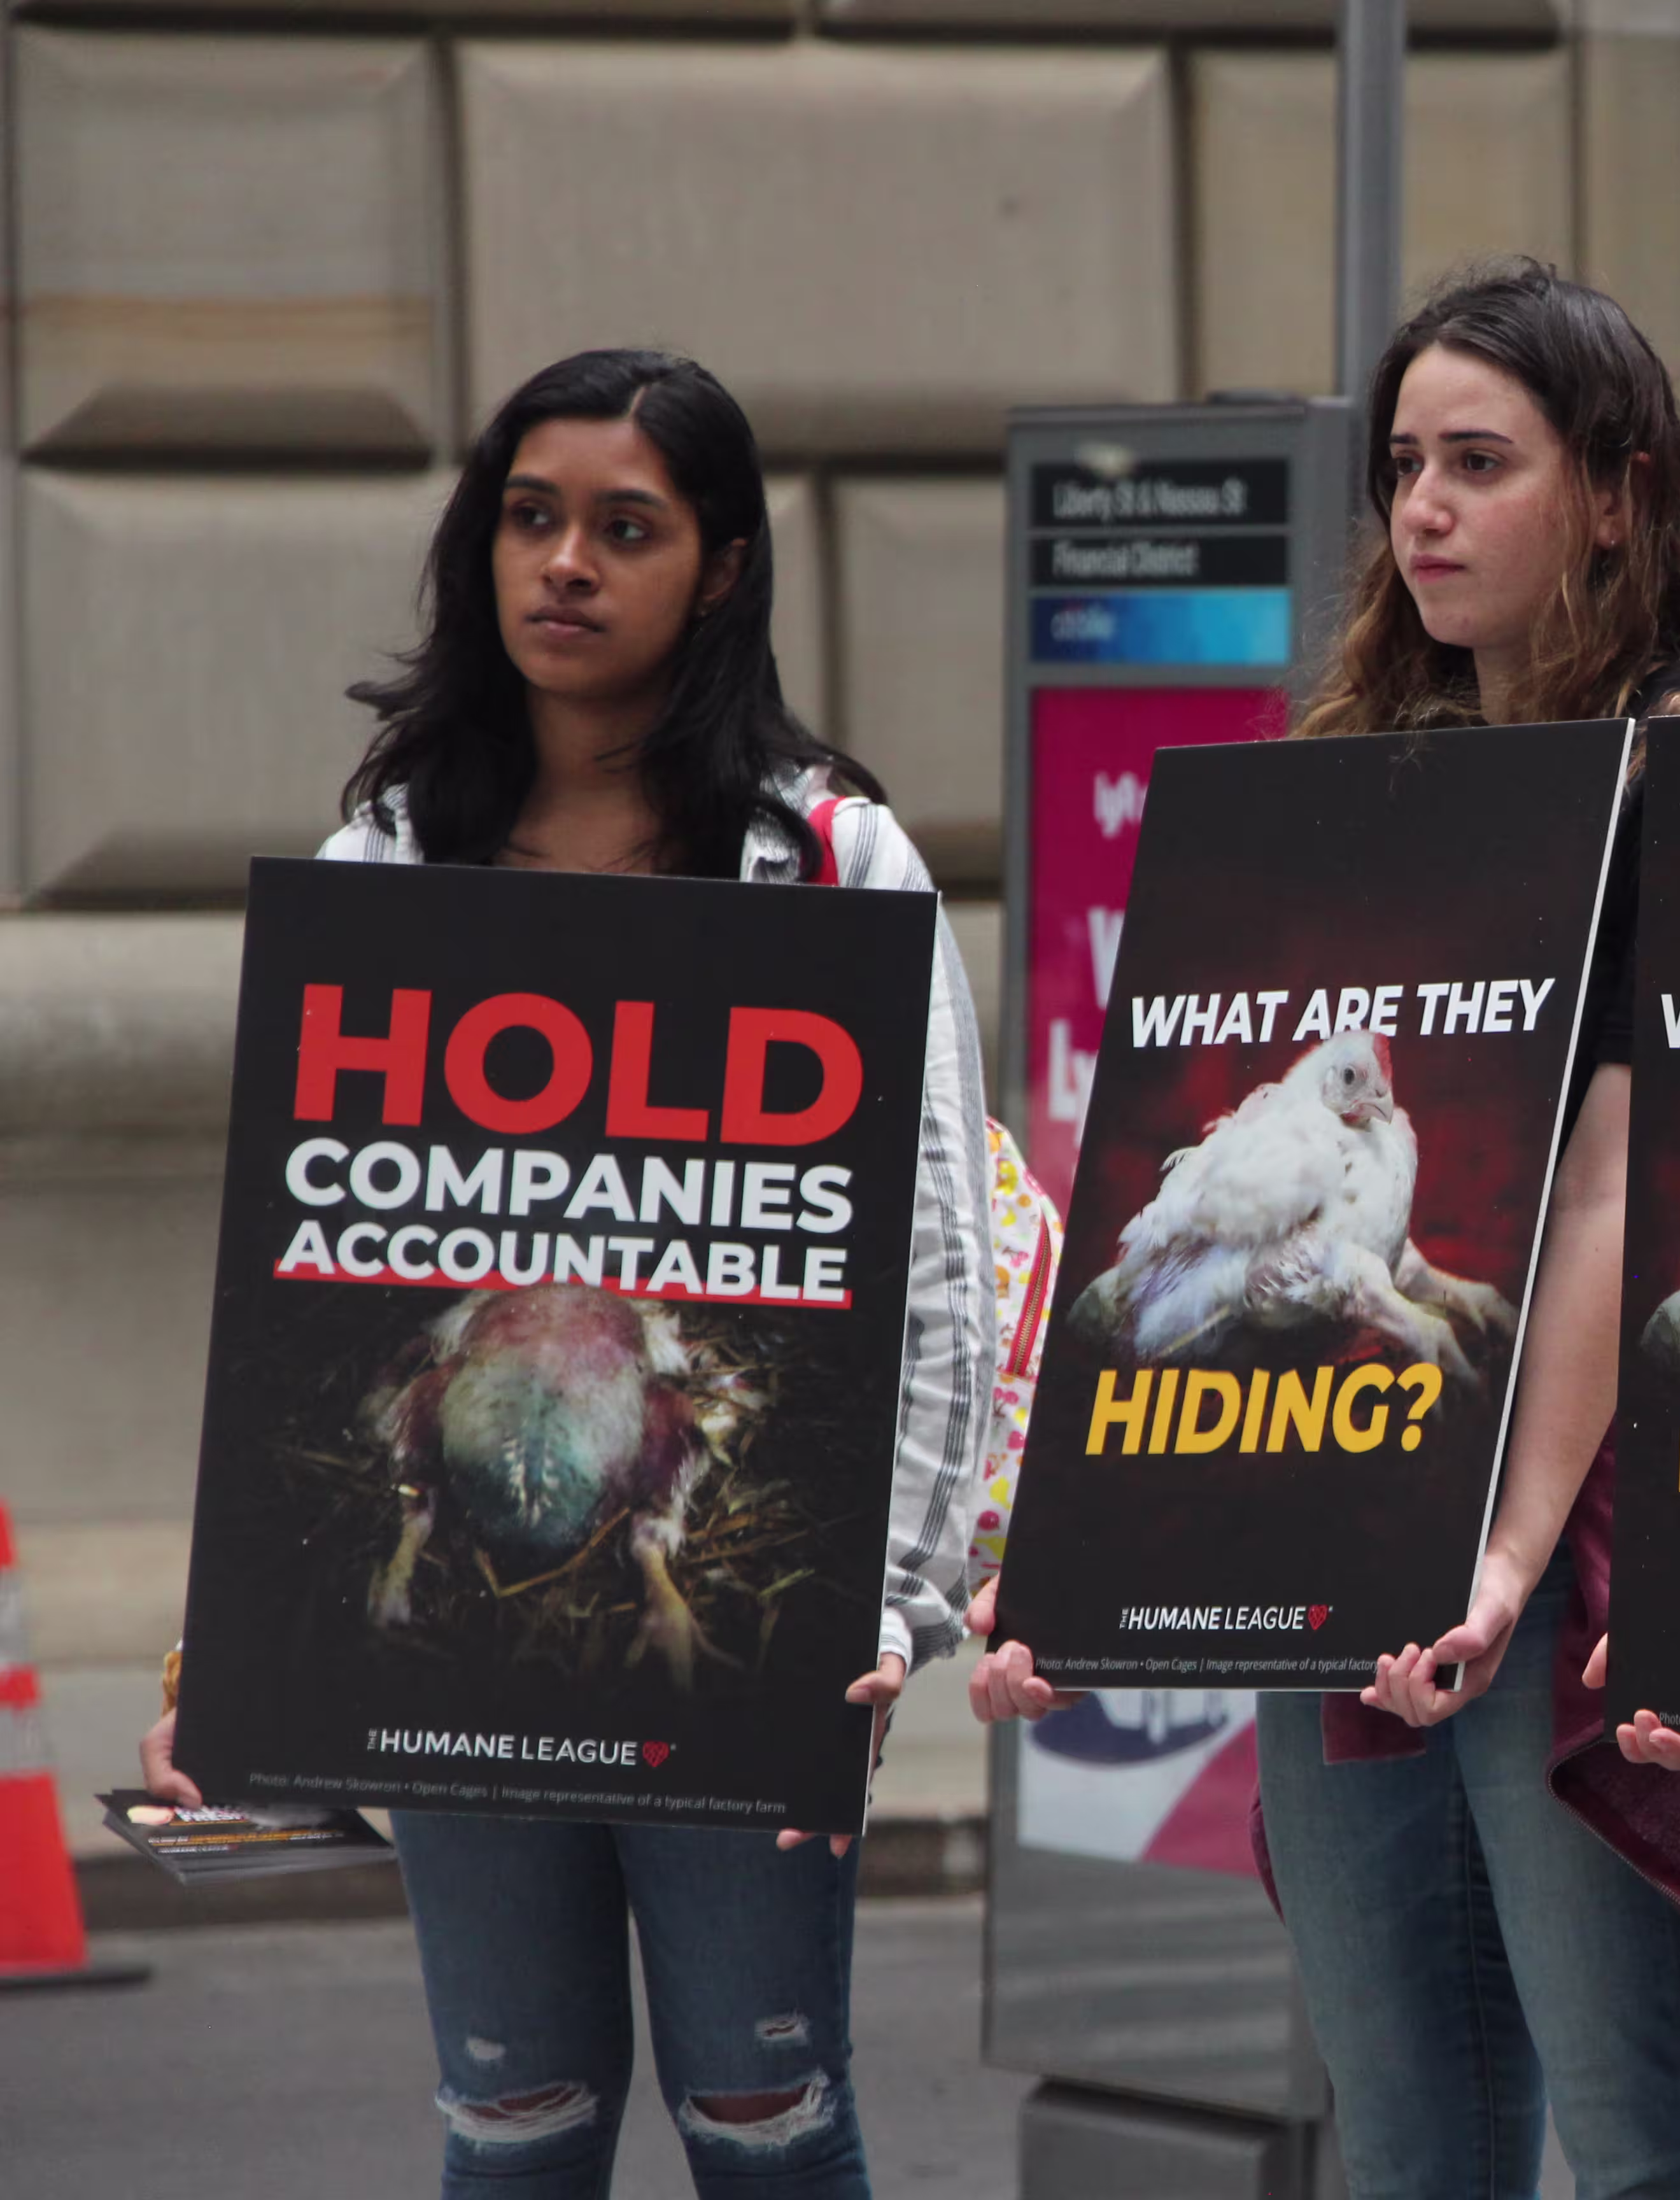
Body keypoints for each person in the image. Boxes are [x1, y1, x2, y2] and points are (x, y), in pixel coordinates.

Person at [964, 260, 1680, 2200]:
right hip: (1351, 1493)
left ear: (1622, 493)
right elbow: (1195, 1178)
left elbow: (1609, 1192)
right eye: (1406, 466)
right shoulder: (1345, 798)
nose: (1424, 512)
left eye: (1482, 463)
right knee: (1409, 2132)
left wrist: (1505, 1560)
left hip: (1592, 1536)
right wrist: (1081, 1545)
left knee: (1649, 2132)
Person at [137, 347, 996, 2197]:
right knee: (508, 2132)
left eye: (627, 528)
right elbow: (314, 1274)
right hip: (451, 1606)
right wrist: (240, 1646)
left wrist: (893, 1601)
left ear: (728, 569)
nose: (567, 567)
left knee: (765, 2127)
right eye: (531, 519)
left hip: (743, 1618)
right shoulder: (392, 852)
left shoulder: (830, 857)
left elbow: (937, 1265)